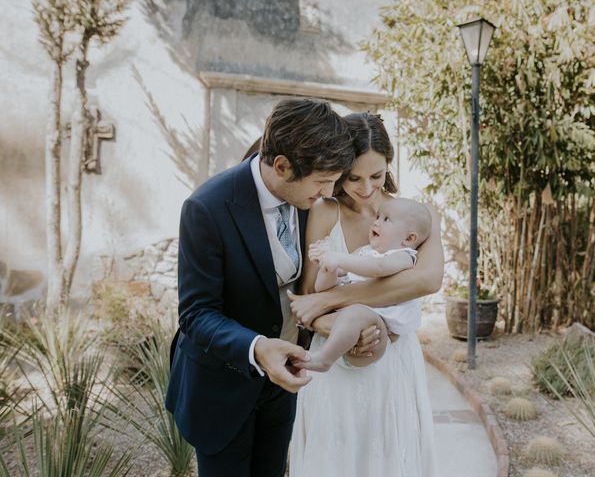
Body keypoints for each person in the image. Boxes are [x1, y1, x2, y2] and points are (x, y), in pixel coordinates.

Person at [165, 98, 372, 477]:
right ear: (282, 166)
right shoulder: (206, 208)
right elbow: (197, 315)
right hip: (221, 389)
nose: (328, 193)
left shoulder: (310, 202)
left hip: (280, 390)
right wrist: (258, 348)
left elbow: (306, 288)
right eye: (322, 181)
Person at [289, 112, 443, 477]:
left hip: (395, 361)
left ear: (389, 165)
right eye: (354, 177)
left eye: (376, 175)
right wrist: (347, 330)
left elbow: (427, 281)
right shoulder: (326, 211)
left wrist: (331, 301)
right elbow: (309, 298)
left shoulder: (416, 217)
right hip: (339, 360)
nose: (366, 187)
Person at [301, 197, 432, 372]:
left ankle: (324, 359)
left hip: (380, 332)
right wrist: (326, 264)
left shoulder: (404, 256)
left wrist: (337, 258)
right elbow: (322, 288)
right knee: (353, 315)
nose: (376, 222)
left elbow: (378, 269)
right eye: (378, 217)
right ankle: (330, 356)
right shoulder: (364, 252)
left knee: (356, 313)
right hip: (350, 330)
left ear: (409, 238)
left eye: (386, 219)